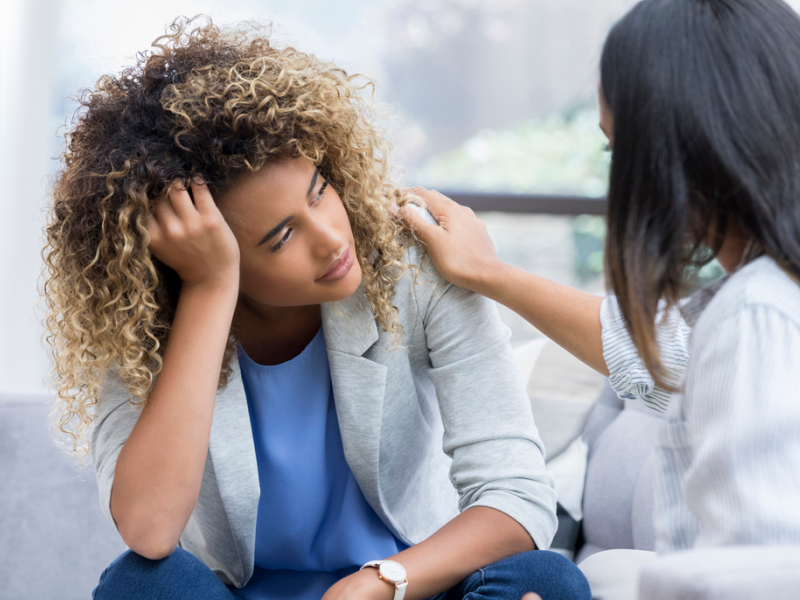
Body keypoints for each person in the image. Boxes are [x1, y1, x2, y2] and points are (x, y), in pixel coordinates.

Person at [42, 17, 588, 600]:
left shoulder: (413, 267)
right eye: (280, 237)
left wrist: (383, 581)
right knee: (140, 584)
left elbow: (517, 494)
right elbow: (148, 532)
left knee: (546, 580)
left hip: (405, 589)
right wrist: (208, 291)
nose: (331, 237)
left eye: (320, 191)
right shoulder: (141, 321)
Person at [398, 0, 800, 598]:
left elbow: (751, 580)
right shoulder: (755, 300)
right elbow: (667, 359)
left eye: (619, 152)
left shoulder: (759, 312)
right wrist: (488, 273)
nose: (620, 183)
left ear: (679, 145)